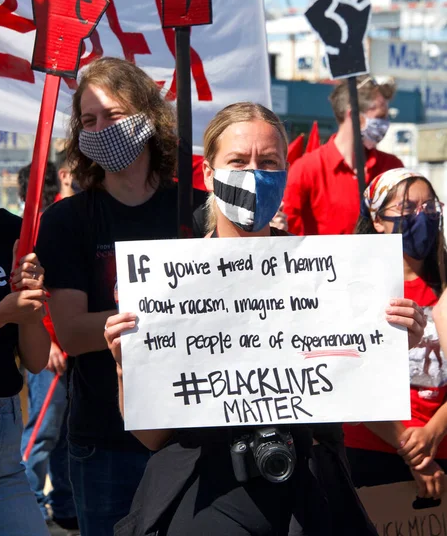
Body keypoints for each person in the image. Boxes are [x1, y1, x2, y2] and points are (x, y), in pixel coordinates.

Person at [103, 102, 424, 536]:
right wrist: (127, 366)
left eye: (268, 162)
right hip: (206, 491)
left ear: (285, 172)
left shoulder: (324, 273)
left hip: (310, 488)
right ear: (208, 175)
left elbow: (355, 389)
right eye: (238, 161)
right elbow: (152, 437)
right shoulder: (165, 285)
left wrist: (389, 346)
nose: (254, 173)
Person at [36, 57, 206, 536]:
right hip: (107, 441)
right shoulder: (68, 220)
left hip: (193, 434)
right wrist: (175, 316)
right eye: (88, 121)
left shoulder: (198, 211)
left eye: (111, 115)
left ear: (148, 117)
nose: (98, 129)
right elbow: (71, 331)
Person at [0, 110, 50, 535]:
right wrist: (0, 313)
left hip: (2, 447)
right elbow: (2, 317)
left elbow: (35, 360)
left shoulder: (11, 233)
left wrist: (31, 308)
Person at [344, 168, 447, 500]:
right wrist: (410, 449)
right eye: (407, 208)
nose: (422, 217)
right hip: (371, 450)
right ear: (377, 219)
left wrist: (433, 433)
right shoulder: (352, 286)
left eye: (429, 207)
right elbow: (347, 377)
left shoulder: (443, 286)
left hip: (440, 450)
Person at [18, 162, 78, 532]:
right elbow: (32, 291)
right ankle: (31, 506)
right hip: (50, 353)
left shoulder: (79, 219)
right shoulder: (45, 225)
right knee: (41, 433)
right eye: (74, 170)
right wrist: (50, 341)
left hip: (72, 351)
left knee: (65, 435)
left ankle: (64, 505)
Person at [283, 75, 403, 236]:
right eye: (380, 116)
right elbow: (288, 235)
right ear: (354, 116)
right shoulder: (306, 169)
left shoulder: (391, 168)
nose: (385, 123)